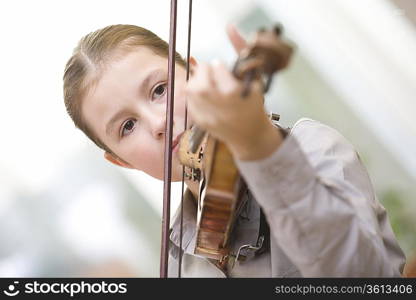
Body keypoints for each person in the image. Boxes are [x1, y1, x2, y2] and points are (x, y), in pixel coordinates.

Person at [63, 24, 405, 277]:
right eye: (127, 126)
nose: (158, 121)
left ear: (195, 73)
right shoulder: (179, 261)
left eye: (160, 89)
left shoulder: (310, 148)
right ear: (122, 161)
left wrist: (261, 147)